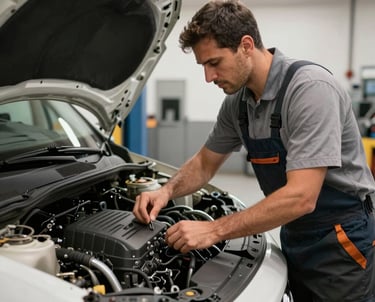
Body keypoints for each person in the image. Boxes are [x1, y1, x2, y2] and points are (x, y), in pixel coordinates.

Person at [133, 0, 375, 301]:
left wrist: (213, 230)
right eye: (203, 66)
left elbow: (302, 197)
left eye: (214, 63)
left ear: (246, 45)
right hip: (294, 233)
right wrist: (166, 192)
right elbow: (204, 163)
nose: (208, 78)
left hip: (340, 239)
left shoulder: (309, 90)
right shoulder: (238, 104)